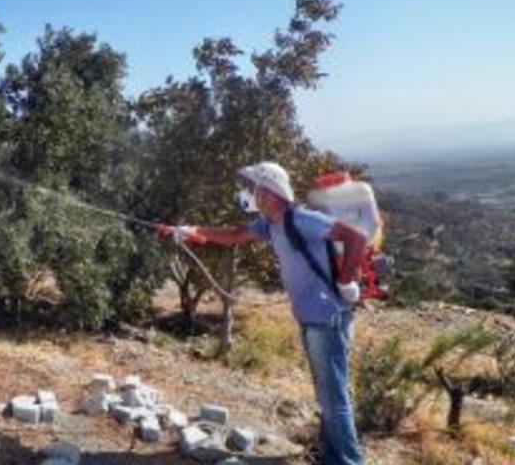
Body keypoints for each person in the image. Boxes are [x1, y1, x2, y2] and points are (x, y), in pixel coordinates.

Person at [156, 161, 367, 465]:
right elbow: (234, 234)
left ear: (271, 192)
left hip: (328, 318)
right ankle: (332, 457)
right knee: (327, 396)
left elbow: (356, 237)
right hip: (312, 318)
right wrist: (188, 231)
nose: (252, 194)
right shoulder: (272, 224)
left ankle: (348, 461)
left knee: (334, 400)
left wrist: (346, 282)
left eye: (257, 188)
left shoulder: (301, 219)